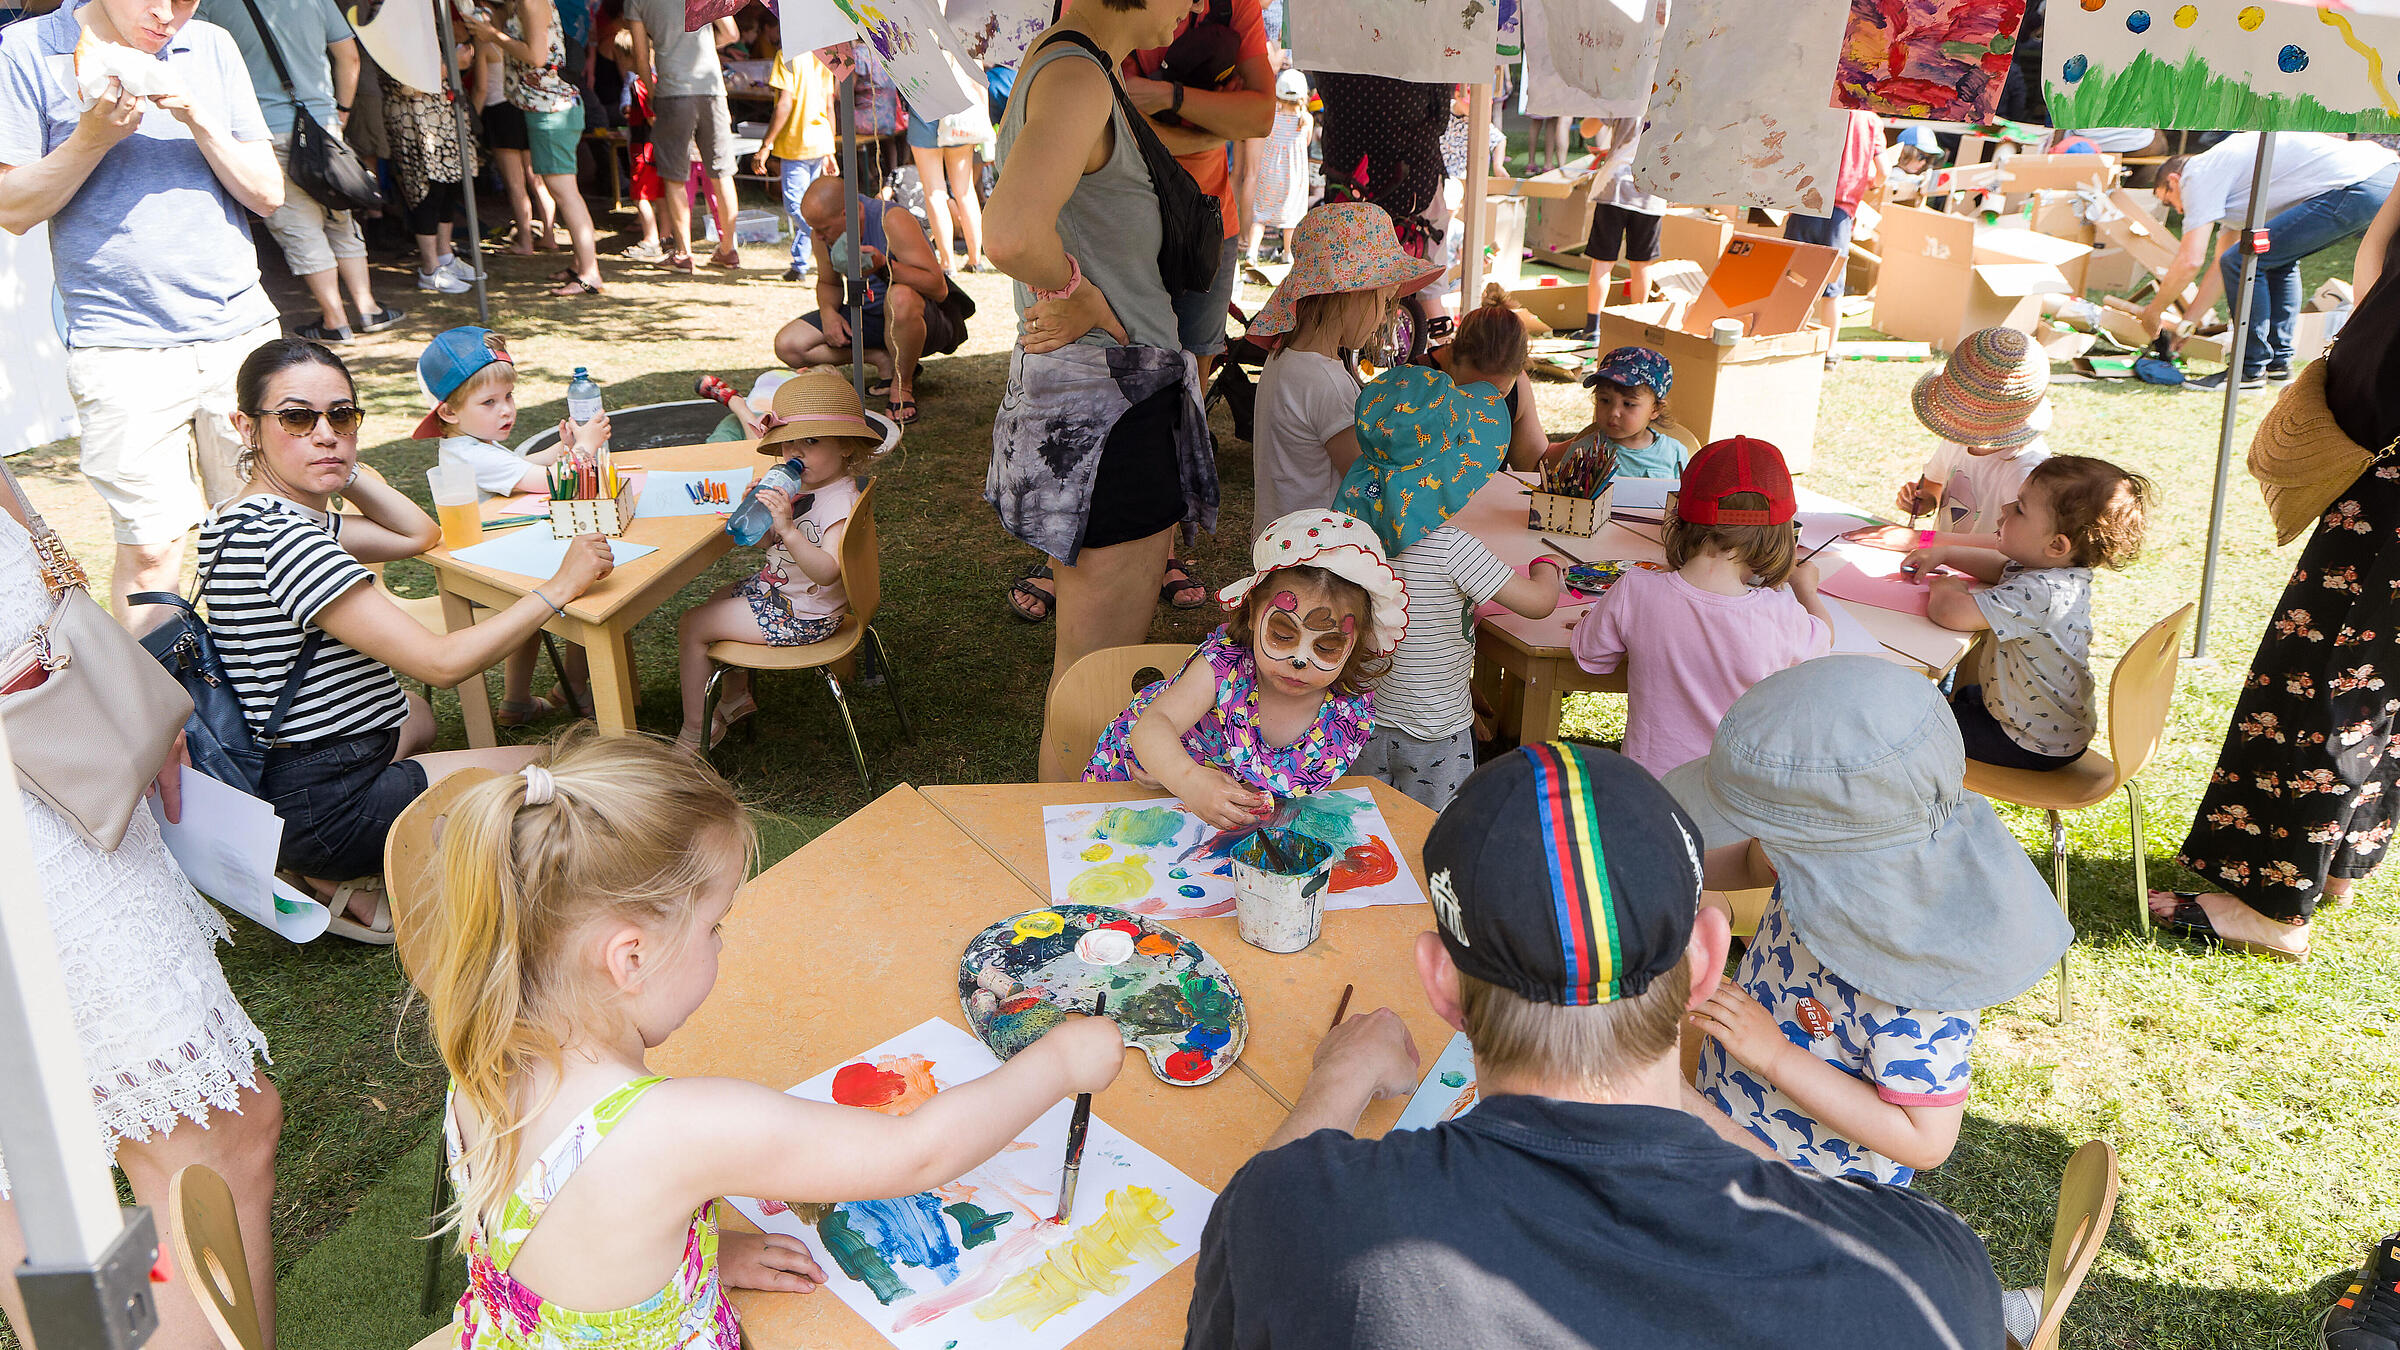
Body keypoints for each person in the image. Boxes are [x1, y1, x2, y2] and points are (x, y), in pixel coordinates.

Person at [1184, 741, 2010, 1350]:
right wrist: (1686, 1106)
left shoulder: (1301, 1223)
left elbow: (1246, 1216)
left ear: (1440, 985)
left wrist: (1337, 1081)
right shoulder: (1932, 1273)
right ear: (1708, 961)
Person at [424, 730, 1124, 1349]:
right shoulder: (676, 1127)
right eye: (714, 926)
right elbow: (917, 1154)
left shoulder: (487, 1050)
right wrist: (1060, 1059)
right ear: (629, 958)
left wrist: (693, 1254)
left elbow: (573, 1230)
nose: (722, 946)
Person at [198, 339, 614, 939]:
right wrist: (559, 587)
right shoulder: (288, 542)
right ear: (247, 427)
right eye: (297, 417)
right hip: (325, 798)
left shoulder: (239, 515)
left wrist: (341, 468)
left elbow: (418, 533)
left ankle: (333, 850)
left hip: (276, 770)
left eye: (341, 416)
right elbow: (443, 663)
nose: (325, 433)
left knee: (413, 713)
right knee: (570, 771)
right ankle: (342, 864)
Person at [0, 470, 281, 1350]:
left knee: (36, 1185)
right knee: (199, 1142)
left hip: (50, 720)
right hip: (27, 797)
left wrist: (105, 686)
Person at [1668, 657, 2073, 1186]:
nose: (1773, 852)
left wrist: (1775, 1054)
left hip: (1814, 1197)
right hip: (1730, 1120)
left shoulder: (1926, 977)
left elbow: (1925, 1141)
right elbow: (1752, 862)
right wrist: (1674, 871)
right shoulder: (1820, 856)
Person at [2163, 187, 2400, 962]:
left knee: (2326, 672)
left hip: (2388, 455)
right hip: (2379, 438)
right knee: (2369, 674)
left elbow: (2378, 247)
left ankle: (2273, 906)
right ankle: (2332, 861)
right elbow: (2378, 244)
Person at [0, 0, 285, 617]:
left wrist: (197, 115)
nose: (166, 14)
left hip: (240, 331)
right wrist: (92, 138)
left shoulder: (210, 44)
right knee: (152, 552)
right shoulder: (27, 51)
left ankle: (273, 701)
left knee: (268, 538)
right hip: (118, 344)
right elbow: (13, 208)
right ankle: (165, 714)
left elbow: (267, 194)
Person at [984, 0, 1218, 692]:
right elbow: (1010, 235)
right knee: (1095, 686)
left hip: (1102, 401)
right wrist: (1076, 292)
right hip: (1115, 408)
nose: (1196, 5)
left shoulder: (1071, 66)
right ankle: (1071, 807)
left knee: (1089, 677)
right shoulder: (1077, 75)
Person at [1083, 509, 1404, 826]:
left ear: (1357, 640)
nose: (1300, 659)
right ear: (1252, 614)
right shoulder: (1224, 666)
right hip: (1148, 782)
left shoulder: (1346, 708)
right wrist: (1185, 779)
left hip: (1228, 813)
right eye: (1282, 635)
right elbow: (1153, 725)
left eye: (1327, 646)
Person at [1336, 367, 1562, 809]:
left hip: (1358, 722)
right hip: (1436, 732)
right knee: (1433, 835)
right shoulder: (1453, 549)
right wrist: (1547, 568)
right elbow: (1537, 605)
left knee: (1365, 826)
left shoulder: (1352, 540)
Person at [1570, 436, 1833, 777]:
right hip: (1738, 792)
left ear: (1680, 519)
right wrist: (1807, 590)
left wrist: (1596, 620)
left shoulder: (1634, 590)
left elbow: (1591, 658)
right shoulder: (1781, 612)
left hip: (1654, 789)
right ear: (1779, 535)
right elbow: (1824, 638)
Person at [674, 370, 879, 751]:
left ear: (847, 445)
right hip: (784, 592)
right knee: (719, 598)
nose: (796, 453)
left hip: (805, 614)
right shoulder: (800, 484)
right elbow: (766, 543)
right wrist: (761, 514)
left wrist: (787, 528)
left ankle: (697, 731)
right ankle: (735, 698)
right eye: (788, 444)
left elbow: (829, 571)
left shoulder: (839, 501)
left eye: (811, 441)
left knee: (693, 624)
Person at [1909, 455, 2151, 771]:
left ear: (2056, 545)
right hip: (2038, 725)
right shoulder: (2054, 573)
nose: (2005, 508)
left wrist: (1946, 585)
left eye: (2020, 508)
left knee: (1912, 725)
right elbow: (1999, 568)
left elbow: (1951, 613)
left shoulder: (2042, 592)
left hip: (2026, 742)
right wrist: (1946, 553)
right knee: (1955, 697)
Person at [414, 326, 605, 726]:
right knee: (589, 585)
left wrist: (564, 448)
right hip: (488, 573)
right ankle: (575, 688)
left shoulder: (471, 441)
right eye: (490, 402)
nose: (506, 410)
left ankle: (519, 703)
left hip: (498, 559)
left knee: (562, 587)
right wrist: (585, 448)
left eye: (509, 397)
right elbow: (550, 482)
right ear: (448, 412)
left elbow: (525, 468)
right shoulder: (472, 454)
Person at [201, 0, 401, 342]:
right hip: (323, 125)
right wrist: (341, 111)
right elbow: (349, 57)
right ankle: (368, 308)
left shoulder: (212, 4)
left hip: (263, 131)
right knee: (339, 215)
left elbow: (201, 66)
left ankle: (335, 320)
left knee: (298, 225)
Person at [2145, 132, 2399, 392]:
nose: (2178, 211)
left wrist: (2152, 312)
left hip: (2358, 182)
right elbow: (2221, 265)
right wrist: (2188, 325)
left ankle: (2249, 371)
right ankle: (2277, 366)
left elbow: (2191, 260)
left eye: (2168, 200)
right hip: (2386, 179)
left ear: (2174, 180)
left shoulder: (2196, 174)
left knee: (2245, 259)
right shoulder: (2228, 185)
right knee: (2274, 261)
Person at [1244, 202, 1438, 534]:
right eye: (1384, 302)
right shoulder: (1328, 382)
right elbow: (1367, 481)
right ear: (1351, 293)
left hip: (1278, 545)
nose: (1381, 319)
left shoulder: (1283, 359)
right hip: (1318, 558)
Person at [1115, 0, 1277, 376]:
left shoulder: (1236, 4)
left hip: (1209, 220)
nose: (1201, 5)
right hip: (1130, 219)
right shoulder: (1114, 7)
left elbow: (1261, 116)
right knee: (1133, 366)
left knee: (1195, 369)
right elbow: (1118, 130)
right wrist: (1220, 118)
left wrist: (1167, 97)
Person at [772, 175, 960, 428]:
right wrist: (829, 313)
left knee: (900, 297)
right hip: (868, 315)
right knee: (788, 345)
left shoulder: (891, 219)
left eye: (824, 229)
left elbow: (938, 288)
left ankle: (902, 386)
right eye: (813, 228)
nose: (818, 236)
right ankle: (881, 358)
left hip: (922, 319)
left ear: (848, 212)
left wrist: (884, 266)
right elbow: (829, 282)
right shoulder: (822, 234)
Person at [1851, 325, 2052, 551]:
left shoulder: (2027, 471)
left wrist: (1920, 539)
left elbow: (2015, 547)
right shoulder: (1959, 435)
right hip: (1942, 562)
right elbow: (1934, 483)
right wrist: (1925, 500)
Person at [462, 0, 604, 295]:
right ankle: (581, 266)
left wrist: (493, 35)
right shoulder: (515, 5)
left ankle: (590, 274)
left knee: (564, 192)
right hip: (546, 108)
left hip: (552, 109)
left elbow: (537, 56)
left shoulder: (531, 2)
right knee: (564, 191)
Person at [624, 0, 739, 271]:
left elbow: (641, 57)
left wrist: (652, 96)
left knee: (675, 174)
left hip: (673, 89)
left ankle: (683, 254)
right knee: (721, 172)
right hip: (712, 89)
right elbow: (732, 33)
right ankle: (728, 250)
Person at [380, 44, 481, 295]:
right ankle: (430, 268)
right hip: (415, 122)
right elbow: (407, 83)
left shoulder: (429, 25)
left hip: (444, 120)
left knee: (448, 188)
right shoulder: (390, 33)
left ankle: (445, 255)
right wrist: (450, 65)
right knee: (426, 192)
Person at [1782, 109, 1885, 339]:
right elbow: (1883, 171)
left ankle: (1788, 340)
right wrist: (1870, 184)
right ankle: (1829, 354)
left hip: (1806, 205)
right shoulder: (1870, 120)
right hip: (1840, 212)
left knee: (1795, 282)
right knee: (1833, 289)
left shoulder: (1821, 105)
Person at [1426, 285, 1549, 468]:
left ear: (1517, 375)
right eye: (1471, 391)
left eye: (1495, 394)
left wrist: (1593, 437)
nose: (1482, 402)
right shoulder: (1415, 383)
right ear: (1451, 356)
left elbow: (1533, 463)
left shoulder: (1517, 385)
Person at [751, 41, 834, 283]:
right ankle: (800, 265)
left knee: (797, 209)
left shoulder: (787, 55)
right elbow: (829, 105)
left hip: (796, 144)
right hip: (819, 141)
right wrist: (830, 150)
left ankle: (828, 237)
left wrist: (766, 145)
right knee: (808, 209)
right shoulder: (825, 55)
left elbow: (784, 103)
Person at [1575, 116, 1666, 338]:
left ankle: (1592, 328)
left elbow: (1586, 130)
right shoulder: (1674, 98)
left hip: (1615, 186)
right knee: (1642, 264)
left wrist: (1599, 107)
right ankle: (1637, 327)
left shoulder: (1626, 93)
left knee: (1603, 262)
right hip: (1651, 190)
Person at [1556, 345, 1690, 480]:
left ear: (1655, 409)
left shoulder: (1674, 453)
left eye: (1628, 404)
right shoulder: (1582, 451)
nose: (1614, 412)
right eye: (1605, 400)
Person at [902, 81, 991, 274]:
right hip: (960, 112)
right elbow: (979, 80)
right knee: (965, 190)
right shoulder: (965, 48)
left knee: (934, 191)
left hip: (924, 107)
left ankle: (947, 262)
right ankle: (975, 260)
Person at [1242, 65, 1307, 264]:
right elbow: (1307, 141)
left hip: (1270, 175)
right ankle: (1288, 254)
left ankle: (1251, 253)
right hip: (1294, 178)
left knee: (1260, 216)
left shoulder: (1271, 118)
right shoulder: (1305, 121)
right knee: (1291, 219)